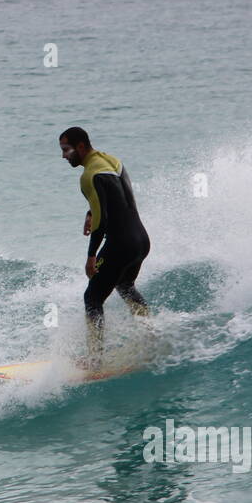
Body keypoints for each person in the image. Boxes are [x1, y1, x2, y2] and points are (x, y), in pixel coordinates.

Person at [58, 126, 150, 361]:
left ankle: (95, 359)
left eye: (66, 150)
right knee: (125, 286)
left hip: (120, 245)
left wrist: (91, 257)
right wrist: (90, 213)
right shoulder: (112, 161)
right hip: (141, 240)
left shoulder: (88, 176)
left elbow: (102, 220)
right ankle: (151, 336)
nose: (63, 156)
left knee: (92, 297)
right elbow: (116, 197)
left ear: (80, 146)